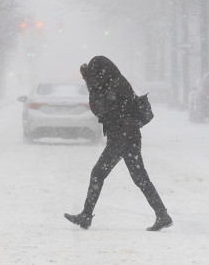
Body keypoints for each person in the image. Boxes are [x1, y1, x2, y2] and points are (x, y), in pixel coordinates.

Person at [64, 55, 173, 232]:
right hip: (130, 137)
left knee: (98, 174)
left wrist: (92, 85)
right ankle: (162, 214)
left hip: (120, 138)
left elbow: (99, 109)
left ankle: (86, 215)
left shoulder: (109, 86)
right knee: (140, 178)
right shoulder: (118, 81)